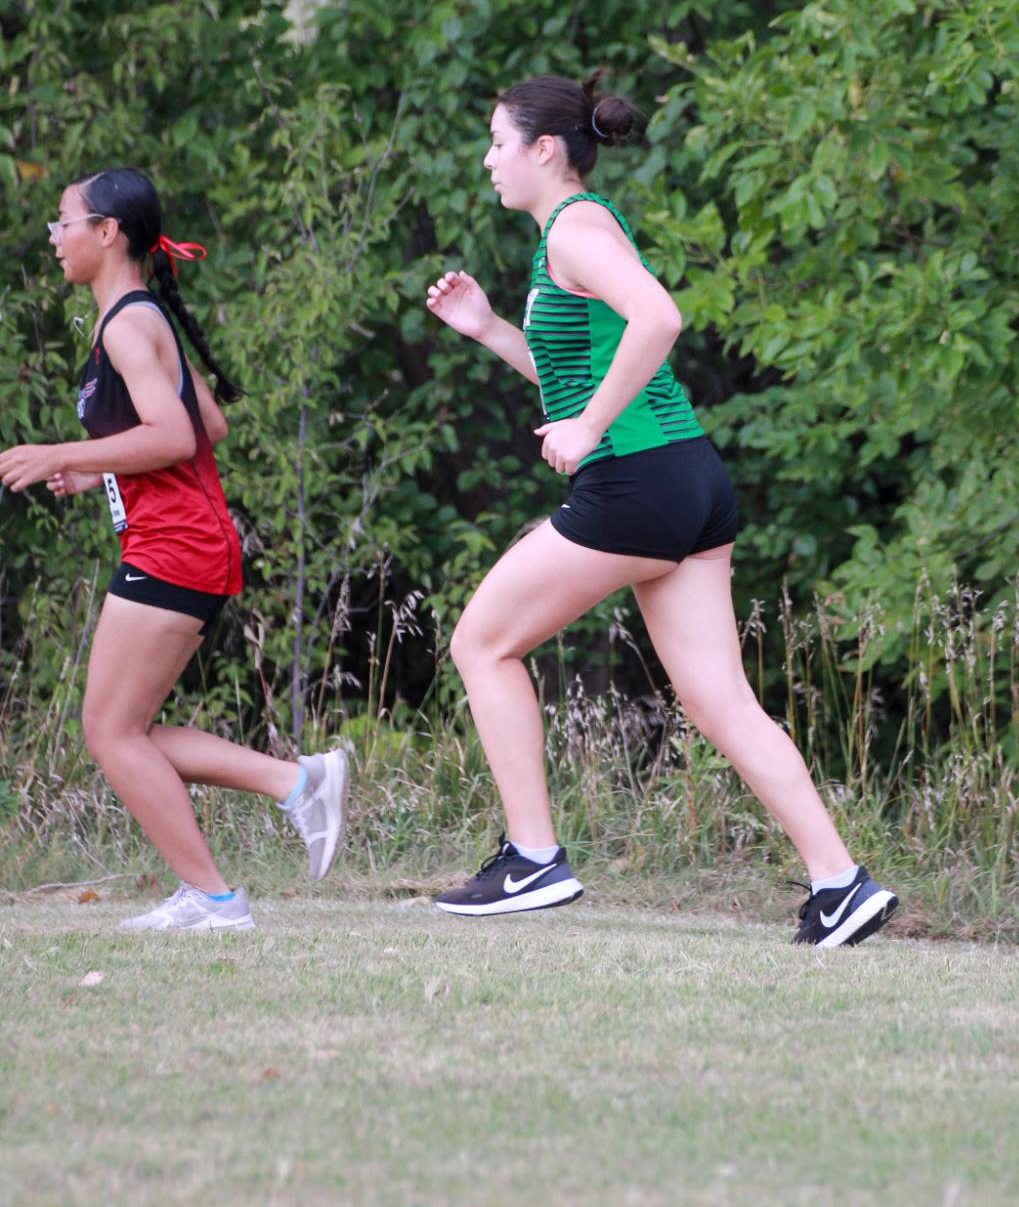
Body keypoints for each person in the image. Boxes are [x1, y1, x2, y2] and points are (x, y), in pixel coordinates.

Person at [426, 74, 898, 947]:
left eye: (497, 142)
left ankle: (532, 858)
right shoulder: (575, 232)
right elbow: (580, 377)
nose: (487, 159)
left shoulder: (574, 227)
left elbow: (660, 317)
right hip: (685, 477)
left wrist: (593, 428)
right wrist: (492, 330)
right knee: (719, 700)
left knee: (480, 642)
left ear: (542, 149)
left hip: (636, 479)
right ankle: (842, 884)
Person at [0, 168, 348, 932]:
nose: (53, 237)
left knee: (109, 731)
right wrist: (96, 472)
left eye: (63, 222)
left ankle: (218, 898)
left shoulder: (127, 322)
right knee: (127, 730)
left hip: (176, 547)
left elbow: (178, 434)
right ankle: (297, 783)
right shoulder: (132, 317)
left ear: (106, 232)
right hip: (182, 541)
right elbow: (209, 427)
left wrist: (63, 450)